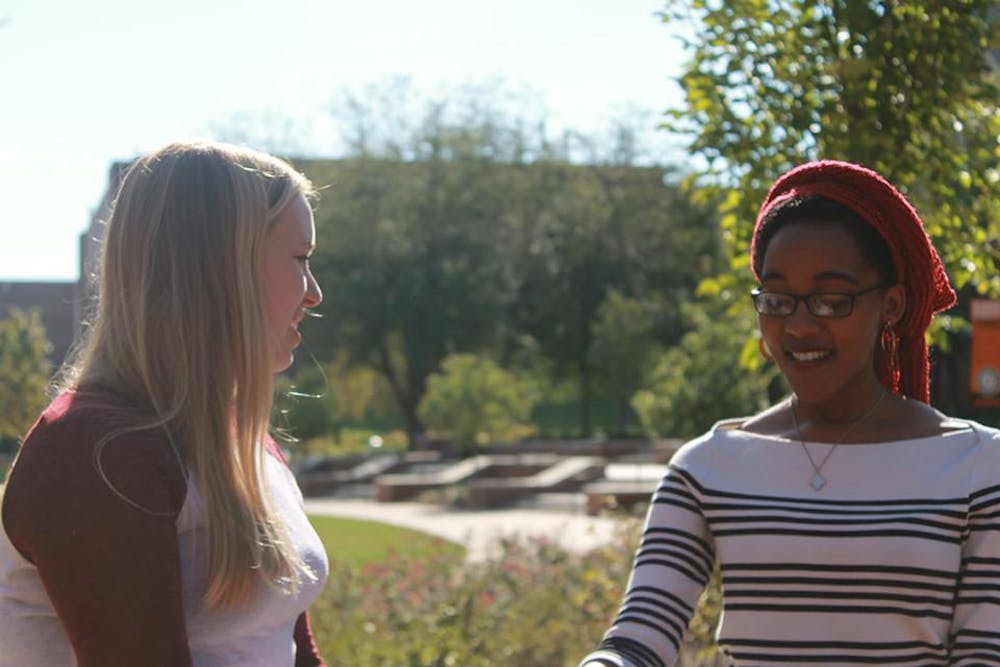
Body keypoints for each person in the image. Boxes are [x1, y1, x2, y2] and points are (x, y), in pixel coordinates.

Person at [579, 160, 1000, 666]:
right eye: (777, 299)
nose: (799, 325)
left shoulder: (978, 467)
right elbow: (639, 639)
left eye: (830, 300)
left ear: (891, 305)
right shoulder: (709, 467)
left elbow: (984, 652)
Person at [0, 141, 329, 666]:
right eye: (300, 259)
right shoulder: (96, 450)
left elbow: (292, 651)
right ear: (222, 268)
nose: (313, 293)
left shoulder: (248, 444)